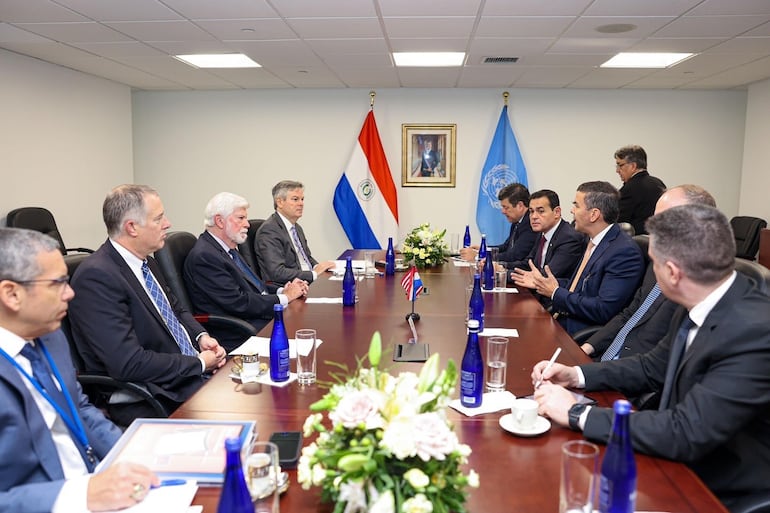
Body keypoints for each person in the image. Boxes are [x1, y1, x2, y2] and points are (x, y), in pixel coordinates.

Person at [532, 204, 770, 508]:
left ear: (671, 273)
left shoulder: (755, 332)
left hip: (715, 486)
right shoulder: (700, 297)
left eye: (653, 264)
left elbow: (687, 431)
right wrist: (576, 374)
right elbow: (651, 366)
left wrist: (577, 414)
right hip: (673, 452)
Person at [0, 228, 159, 512]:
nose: (70, 293)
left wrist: (130, 453)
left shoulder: (49, 334)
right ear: (12, 294)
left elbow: (79, 407)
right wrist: (79, 495)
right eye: (58, 283)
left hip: (97, 484)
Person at [68, 184, 226, 426]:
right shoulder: (97, 277)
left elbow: (176, 310)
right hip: (150, 393)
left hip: (182, 374)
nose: (168, 224)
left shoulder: (146, 263)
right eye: (159, 218)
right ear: (132, 227)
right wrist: (199, 363)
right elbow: (128, 363)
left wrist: (200, 337)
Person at [582, 185, 717, 363]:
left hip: (634, 375)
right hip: (608, 359)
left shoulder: (701, 284)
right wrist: (588, 347)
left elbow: (662, 363)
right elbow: (630, 313)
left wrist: (588, 375)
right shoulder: (659, 262)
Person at [513, 181, 644, 336]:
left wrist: (555, 292)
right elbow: (578, 286)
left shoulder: (624, 251)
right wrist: (542, 282)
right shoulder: (593, 241)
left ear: (594, 214)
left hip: (578, 332)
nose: (572, 210)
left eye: (577, 205)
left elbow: (603, 309)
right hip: (561, 320)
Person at [184, 192, 308, 351]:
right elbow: (238, 303)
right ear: (220, 221)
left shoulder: (228, 249)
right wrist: (285, 297)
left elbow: (257, 287)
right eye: (241, 218)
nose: (247, 224)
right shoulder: (205, 256)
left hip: (254, 319)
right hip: (238, 331)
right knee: (304, 334)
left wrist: (284, 289)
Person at [255, 180, 335, 284]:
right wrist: (313, 274)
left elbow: (306, 258)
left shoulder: (296, 227)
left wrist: (320, 267)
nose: (301, 204)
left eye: (302, 199)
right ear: (280, 202)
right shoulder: (269, 231)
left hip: (307, 281)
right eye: (295, 199)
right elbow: (277, 272)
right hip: (289, 286)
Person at [505, 189, 585, 284]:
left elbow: (546, 276)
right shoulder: (542, 233)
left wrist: (503, 274)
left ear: (557, 212)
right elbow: (528, 264)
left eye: (541, 211)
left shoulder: (569, 238)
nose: (534, 216)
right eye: (531, 211)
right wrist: (502, 267)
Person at [459, 183, 538, 264]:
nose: (502, 211)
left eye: (506, 207)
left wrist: (478, 256)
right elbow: (505, 247)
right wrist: (485, 249)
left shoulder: (531, 224)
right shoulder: (517, 221)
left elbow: (513, 255)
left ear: (520, 206)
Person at [614, 145, 666, 235]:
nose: (617, 170)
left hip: (637, 242)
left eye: (620, 165)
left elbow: (617, 221)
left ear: (633, 166)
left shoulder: (630, 189)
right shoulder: (658, 183)